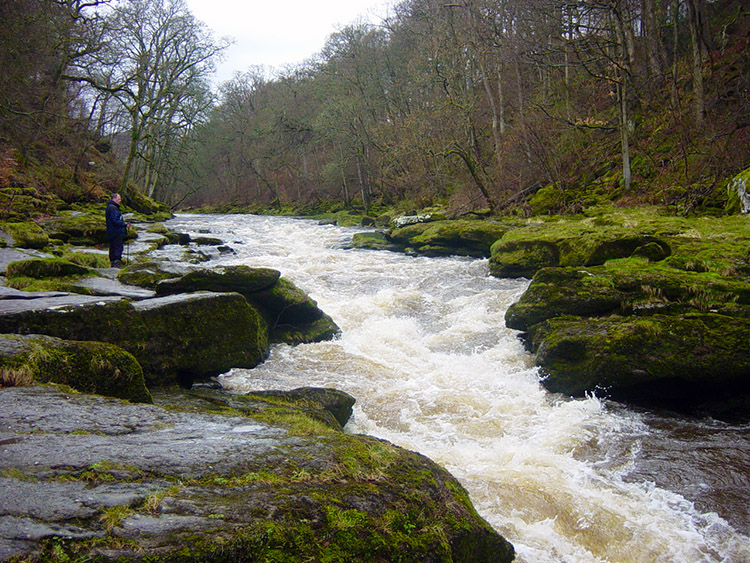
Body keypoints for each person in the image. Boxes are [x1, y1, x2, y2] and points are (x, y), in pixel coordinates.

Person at [105, 193, 129, 267]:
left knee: (113, 247)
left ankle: (113, 262)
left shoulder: (110, 206)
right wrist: (125, 225)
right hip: (115, 231)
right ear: (114, 199)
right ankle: (116, 263)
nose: (120, 201)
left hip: (111, 231)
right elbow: (115, 220)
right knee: (118, 247)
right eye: (118, 199)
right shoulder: (113, 208)